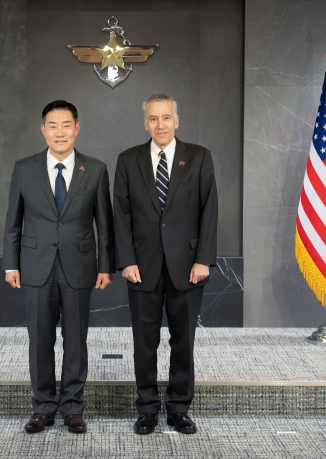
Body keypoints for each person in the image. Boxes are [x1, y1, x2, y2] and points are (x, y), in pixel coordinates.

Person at [3, 100, 115, 434]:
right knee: (39, 340)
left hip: (80, 266)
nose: (60, 132)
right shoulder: (25, 168)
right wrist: (11, 264)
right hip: (36, 266)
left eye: (66, 125)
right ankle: (43, 407)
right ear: (43, 130)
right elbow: (13, 221)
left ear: (77, 128)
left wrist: (105, 266)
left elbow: (104, 225)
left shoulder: (94, 169)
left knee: (76, 340)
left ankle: (72, 408)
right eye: (53, 125)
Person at [113, 94, 218, 435]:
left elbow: (209, 211)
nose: (160, 125)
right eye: (153, 119)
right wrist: (125, 260)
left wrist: (204, 259)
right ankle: (146, 409)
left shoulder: (199, 157)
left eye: (166, 118)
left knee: (182, 341)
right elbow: (121, 215)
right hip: (141, 268)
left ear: (177, 120)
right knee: (144, 343)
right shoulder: (128, 160)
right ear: (145, 123)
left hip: (188, 267)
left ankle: (178, 408)